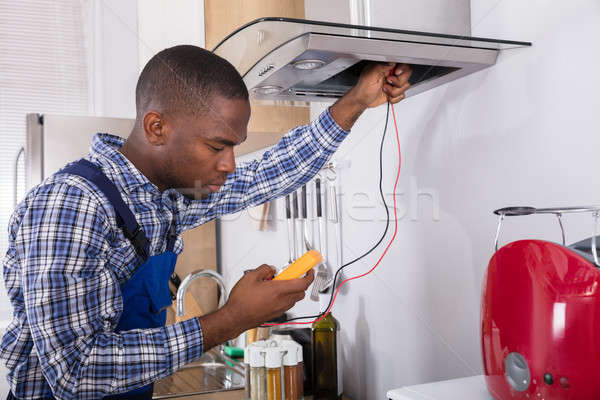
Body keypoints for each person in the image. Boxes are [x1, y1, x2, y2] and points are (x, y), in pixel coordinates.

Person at [0, 45, 411, 399]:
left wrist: (356, 100)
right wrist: (230, 319)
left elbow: (269, 172)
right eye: (217, 145)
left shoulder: (165, 198)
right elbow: (76, 373)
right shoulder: (72, 205)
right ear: (156, 127)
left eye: (233, 146)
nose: (230, 163)